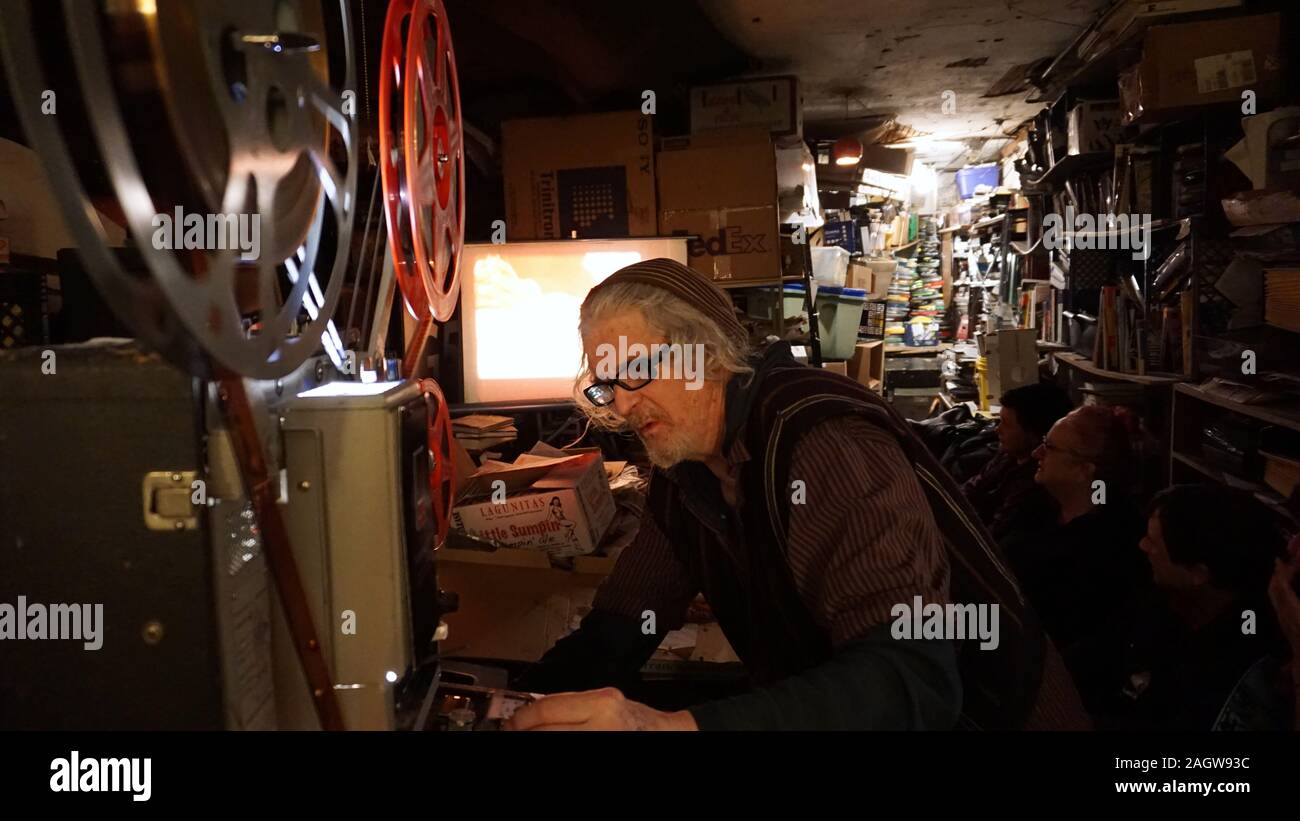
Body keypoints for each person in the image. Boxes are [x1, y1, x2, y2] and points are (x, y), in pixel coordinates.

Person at [506, 258, 1087, 731]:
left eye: (637, 369)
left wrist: (668, 728)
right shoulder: (688, 466)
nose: (625, 404)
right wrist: (511, 708)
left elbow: (910, 679)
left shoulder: (821, 439)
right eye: (607, 384)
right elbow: (624, 624)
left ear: (705, 350)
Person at [1091, 485, 1291, 730]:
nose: (1142, 545)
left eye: (1154, 542)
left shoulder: (1234, 663)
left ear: (1198, 573)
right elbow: (1096, 650)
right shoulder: (1163, 596)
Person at [1003, 405, 1153, 697]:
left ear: (1085, 470)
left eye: (1049, 447)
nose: (1036, 453)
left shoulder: (1113, 544)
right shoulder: (1038, 505)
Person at [961, 382, 1072, 544]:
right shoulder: (1008, 456)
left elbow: (993, 535)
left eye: (1006, 424)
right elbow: (970, 490)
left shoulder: (1037, 482)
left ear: (1035, 434)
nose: (997, 430)